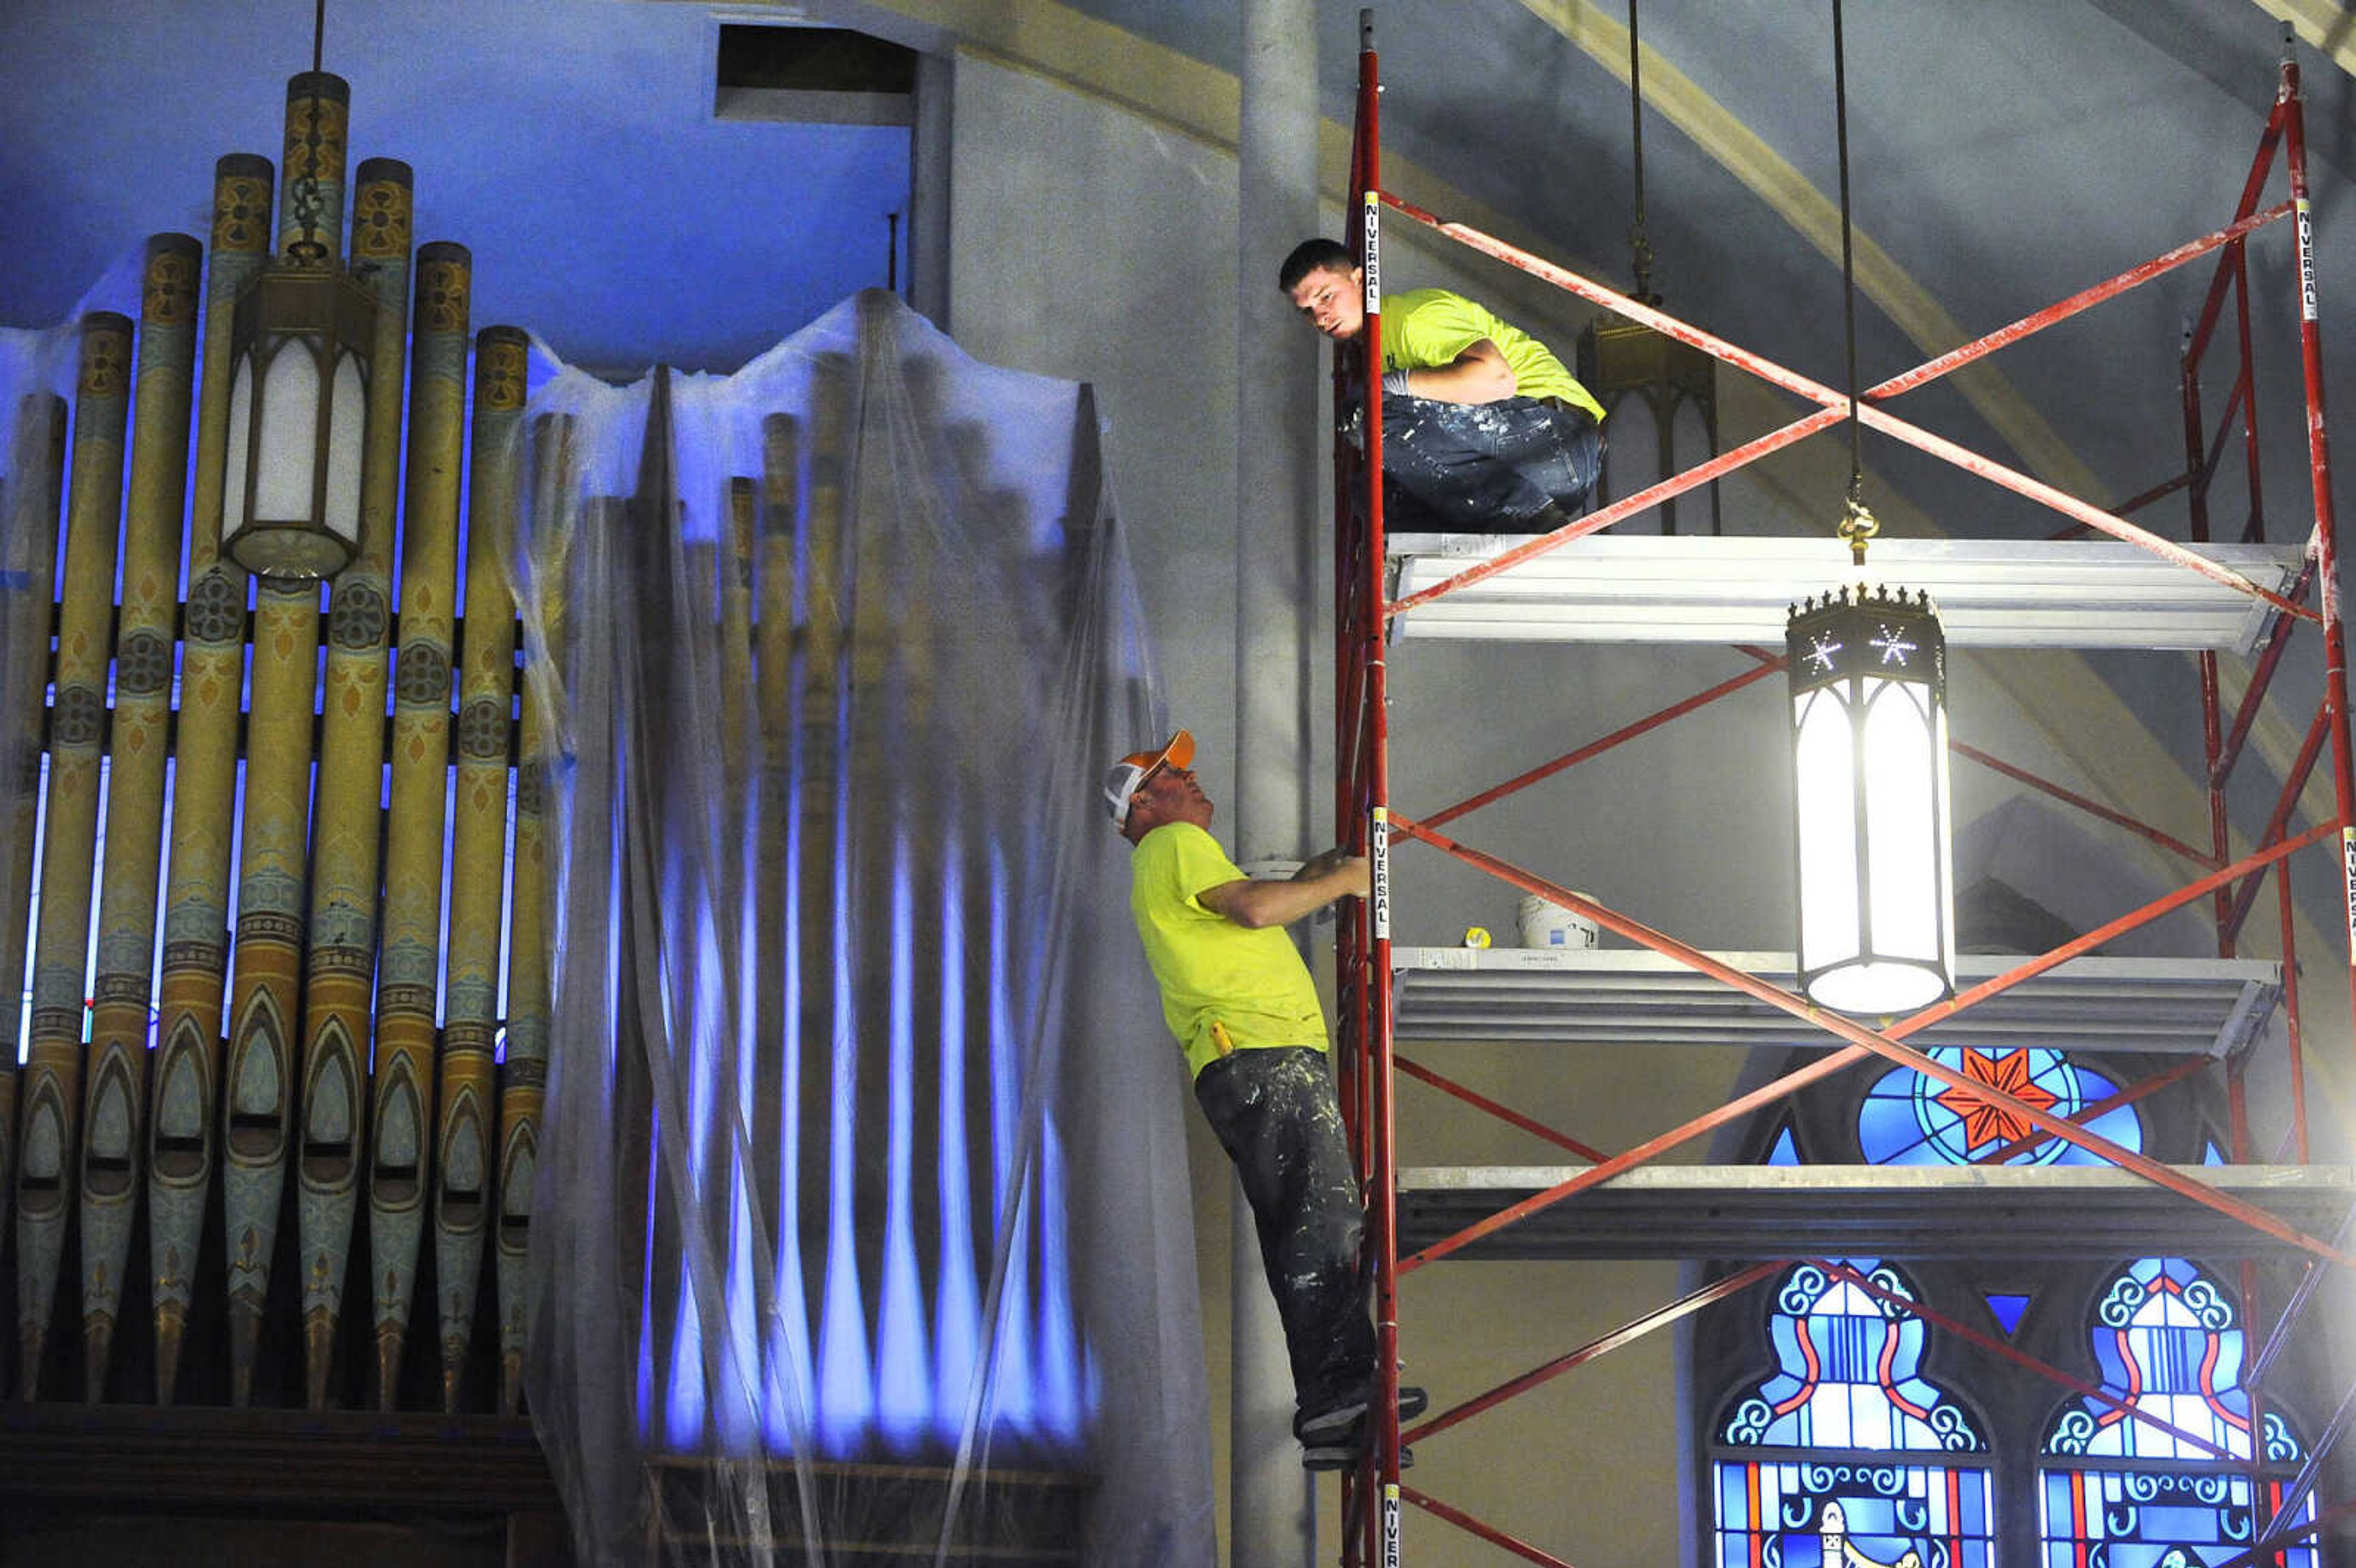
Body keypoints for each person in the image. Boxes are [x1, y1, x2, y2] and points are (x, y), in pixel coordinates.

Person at [1104, 727, 1423, 1468]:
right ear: (1145, 800)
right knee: (1321, 1219)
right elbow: (1254, 909)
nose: (1196, 779)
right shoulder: (1172, 846)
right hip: (1258, 1049)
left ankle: (1334, 1403)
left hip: (1244, 1057)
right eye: (1178, 774)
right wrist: (1346, 883)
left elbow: (1256, 905)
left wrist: (1321, 873)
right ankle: (1341, 1387)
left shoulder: (1170, 863)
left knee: (1305, 1223)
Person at [1280, 236, 1607, 534]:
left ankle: (1530, 516)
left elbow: (1498, 380)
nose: (1320, 317)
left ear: (1361, 279)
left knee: (1369, 409)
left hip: (1558, 441)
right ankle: (1508, 523)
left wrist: (1394, 383)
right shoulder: (1369, 354)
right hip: (1531, 473)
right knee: (1370, 493)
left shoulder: (1411, 318)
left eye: (1326, 297)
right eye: (1308, 312)